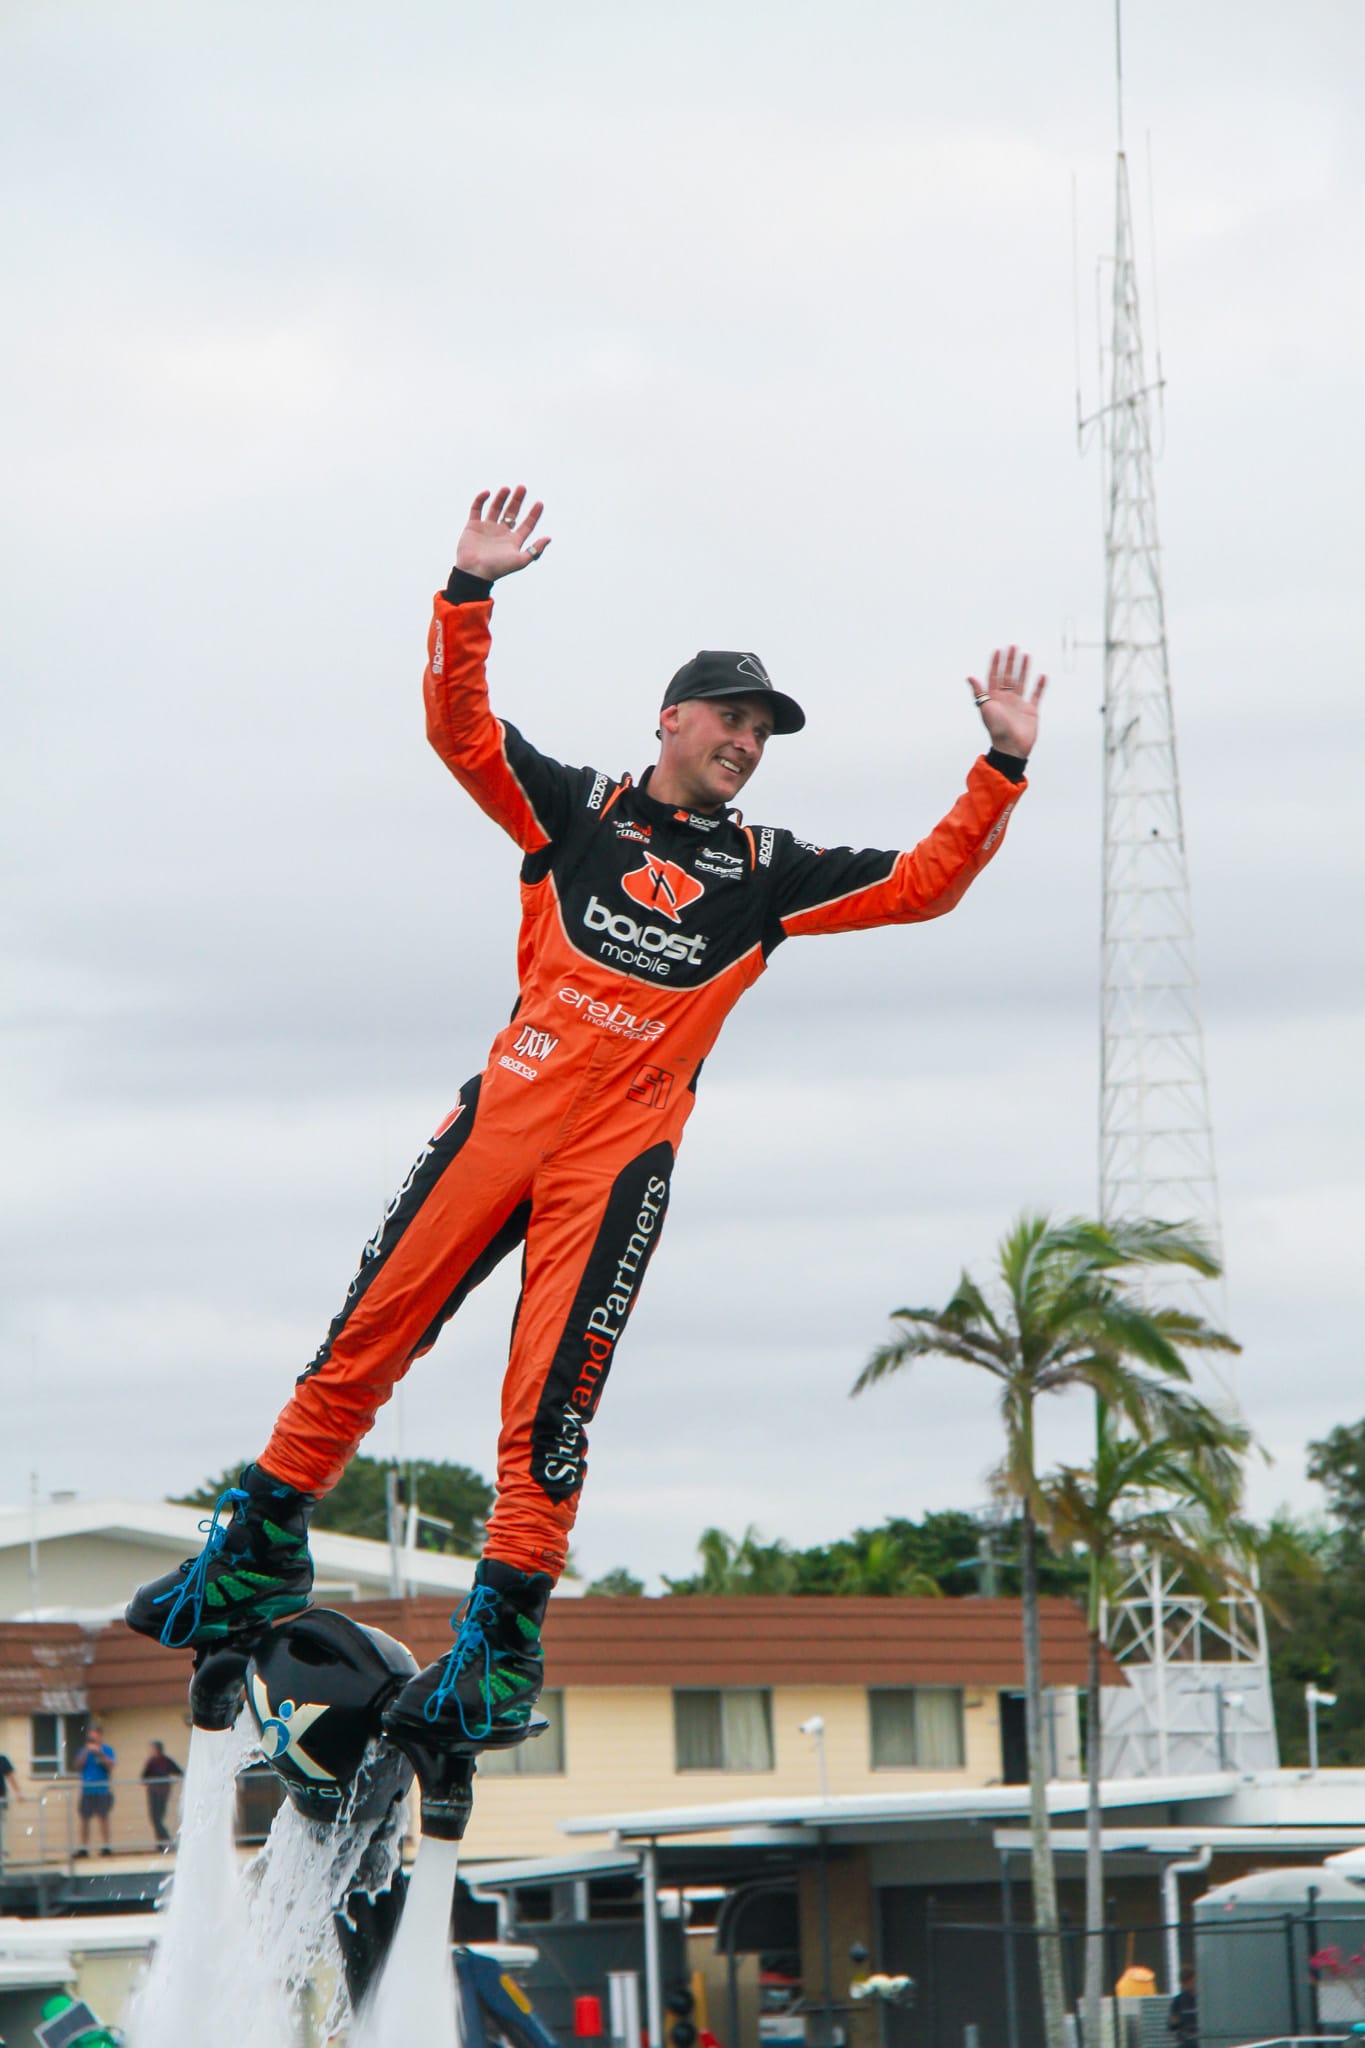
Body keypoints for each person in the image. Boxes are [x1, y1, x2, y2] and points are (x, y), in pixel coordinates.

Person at [128, 484, 1045, 1745]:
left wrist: (1001, 765)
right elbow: (460, 734)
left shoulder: (770, 871)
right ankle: (256, 1547)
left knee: (548, 1401)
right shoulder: (576, 809)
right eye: (731, 716)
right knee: (368, 1328)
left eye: (765, 729)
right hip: (504, 1113)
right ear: (672, 716)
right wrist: (468, 595)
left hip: (616, 1162)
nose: (747, 740)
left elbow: (925, 884)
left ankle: (498, 1655)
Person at [74, 1725, 115, 1857]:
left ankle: (106, 1846)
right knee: (85, 1819)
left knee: (104, 1818)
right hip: (87, 1790)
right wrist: (87, 1751)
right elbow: (78, 1765)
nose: (92, 1738)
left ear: (99, 1735)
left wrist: (99, 1752)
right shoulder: (83, 1750)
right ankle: (84, 1848)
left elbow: (111, 1765)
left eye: (94, 1735)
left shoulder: (107, 1750)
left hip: (102, 1789)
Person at [140, 1738, 182, 1845]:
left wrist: (172, 1780)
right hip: (153, 1793)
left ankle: (166, 1841)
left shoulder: (166, 1761)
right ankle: (161, 1843)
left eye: (152, 1749)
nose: (150, 1751)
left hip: (163, 1793)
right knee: (154, 1818)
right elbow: (144, 1777)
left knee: (158, 1818)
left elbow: (179, 1772)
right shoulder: (151, 1762)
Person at [1168, 1964, 1198, 2048]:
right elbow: (1172, 2025)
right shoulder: (1178, 2001)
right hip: (1186, 2041)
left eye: (1190, 1981)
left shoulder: (1204, 2000)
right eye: (1184, 1983)